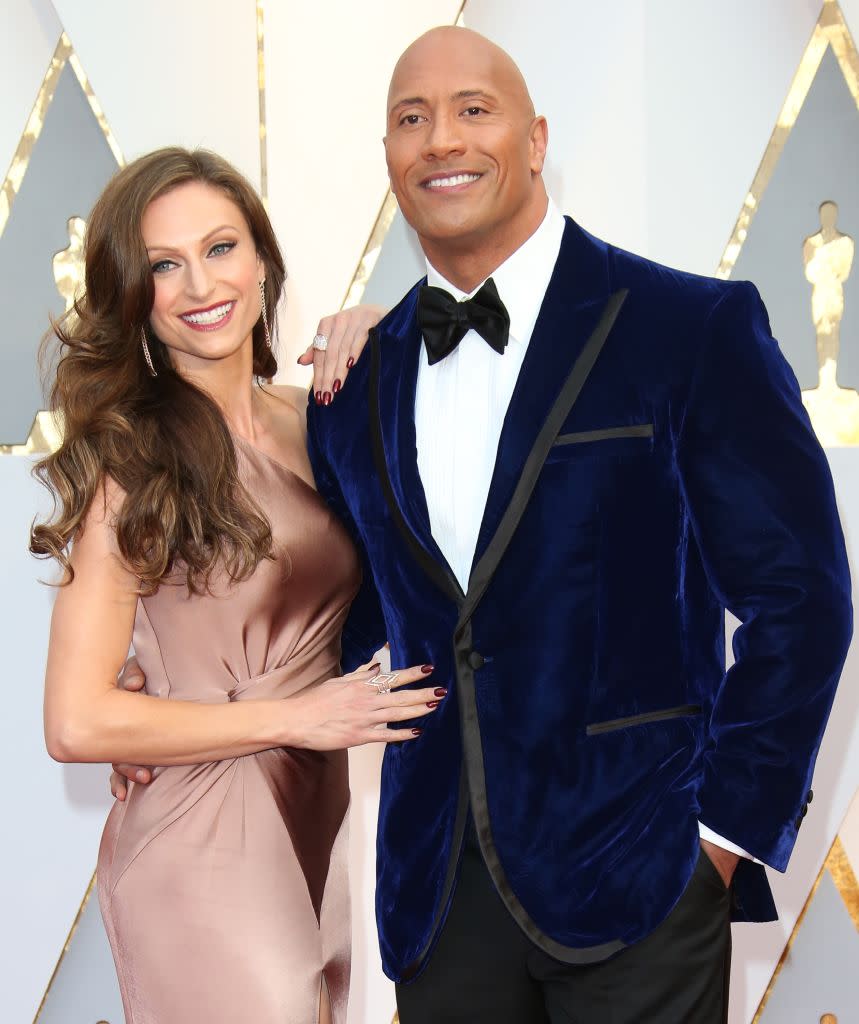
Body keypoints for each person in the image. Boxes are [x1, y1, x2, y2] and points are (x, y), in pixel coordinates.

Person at [113, 27, 853, 1024]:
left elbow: (800, 599)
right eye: (410, 119)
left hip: (642, 876)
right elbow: (352, 609)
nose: (440, 140)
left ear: (536, 137)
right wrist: (163, 691)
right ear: (387, 158)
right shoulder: (352, 388)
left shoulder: (688, 328)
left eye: (473, 109)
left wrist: (719, 839)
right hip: (437, 896)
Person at [31, 146, 443, 1024]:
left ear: (262, 259)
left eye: (220, 248)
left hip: (314, 811)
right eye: (162, 266)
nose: (197, 285)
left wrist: (384, 333)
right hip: (202, 835)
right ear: (134, 295)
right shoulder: (132, 462)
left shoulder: (314, 421)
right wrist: (295, 716)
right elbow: (74, 720)